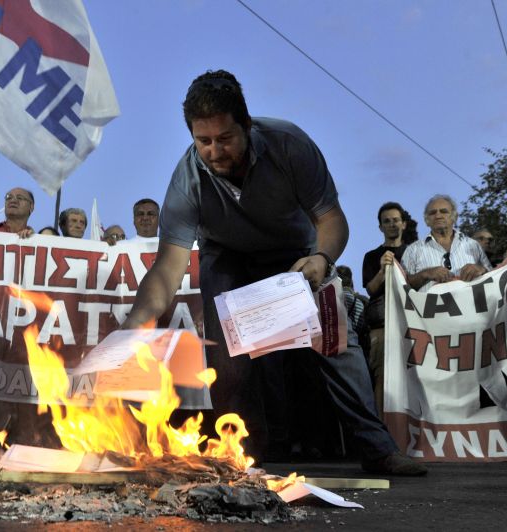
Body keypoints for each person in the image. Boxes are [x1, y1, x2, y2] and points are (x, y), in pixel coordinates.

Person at [122, 69, 425, 475]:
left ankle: (377, 449)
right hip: (227, 258)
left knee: (336, 343)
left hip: (297, 257)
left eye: (225, 138)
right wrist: (136, 323)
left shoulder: (290, 145)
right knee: (227, 357)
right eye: (203, 141)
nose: (214, 151)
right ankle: (240, 456)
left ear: (246, 124)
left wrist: (322, 258)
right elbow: (168, 267)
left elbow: (333, 220)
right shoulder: (187, 178)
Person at [362, 202, 409, 414]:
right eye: (386, 222)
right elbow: (371, 289)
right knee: (382, 379)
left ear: (404, 224)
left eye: (395, 220)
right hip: (382, 327)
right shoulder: (372, 257)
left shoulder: (415, 253)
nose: (392, 225)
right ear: (380, 227)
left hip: (411, 325)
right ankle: (386, 438)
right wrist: (382, 271)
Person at [401, 195, 491, 292]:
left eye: (444, 211)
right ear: (427, 221)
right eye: (432, 213)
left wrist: (481, 270)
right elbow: (401, 287)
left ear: (455, 217)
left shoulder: (473, 245)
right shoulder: (412, 250)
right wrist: (425, 274)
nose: (438, 216)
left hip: (471, 305)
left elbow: (494, 276)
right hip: (429, 306)